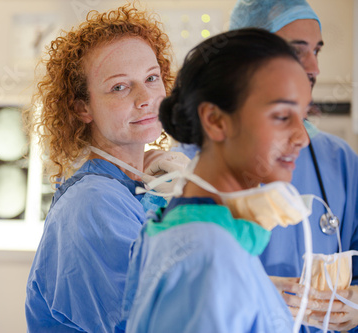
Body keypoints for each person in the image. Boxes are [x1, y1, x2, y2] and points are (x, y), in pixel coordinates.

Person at [120, 28, 312, 333]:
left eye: (303, 116)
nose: (302, 137)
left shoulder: (191, 232)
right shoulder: (209, 255)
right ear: (216, 120)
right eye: (281, 116)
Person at [24, 3, 180, 332]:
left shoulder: (134, 187)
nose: (145, 98)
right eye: (119, 87)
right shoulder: (94, 203)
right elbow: (163, 321)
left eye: (151, 78)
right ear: (82, 107)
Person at [228, 1, 358, 331]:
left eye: (317, 50)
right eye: (296, 50)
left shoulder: (338, 159)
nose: (313, 67)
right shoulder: (197, 162)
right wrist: (249, 292)